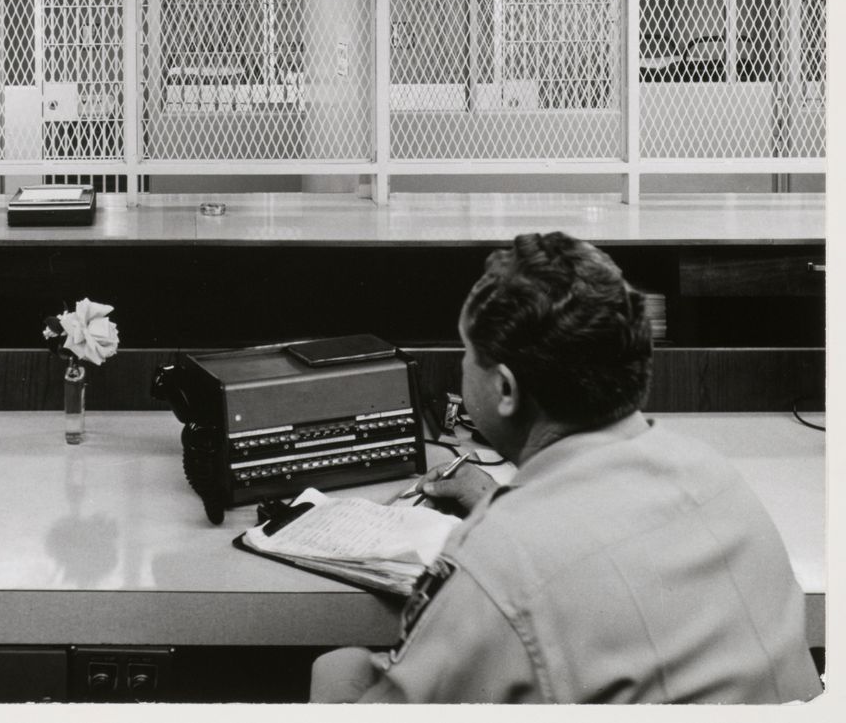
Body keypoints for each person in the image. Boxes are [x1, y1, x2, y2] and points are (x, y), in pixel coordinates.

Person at [310, 231, 822, 704]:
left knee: (340, 671)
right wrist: (502, 504)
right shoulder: (713, 474)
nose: (463, 366)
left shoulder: (497, 562)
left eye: (467, 353)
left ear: (505, 390)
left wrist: (346, 677)